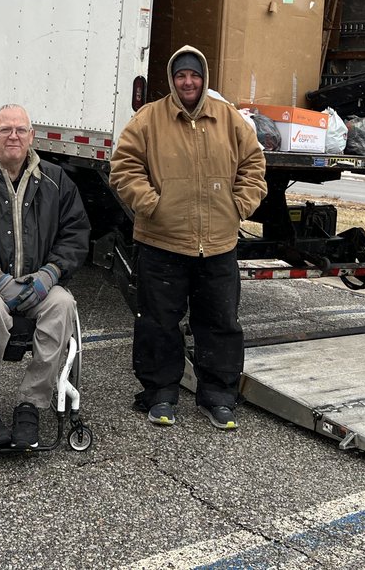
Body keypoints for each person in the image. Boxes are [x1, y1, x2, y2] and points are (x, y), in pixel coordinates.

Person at [109, 45, 267, 430]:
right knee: (158, 323)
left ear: (204, 78)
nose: (188, 82)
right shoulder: (149, 120)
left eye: (194, 75)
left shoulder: (228, 119)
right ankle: (160, 394)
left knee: (219, 323)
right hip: (162, 242)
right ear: (171, 79)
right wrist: (152, 205)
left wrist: (238, 206)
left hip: (218, 245)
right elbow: (123, 167)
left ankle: (218, 397)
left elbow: (254, 164)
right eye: (180, 75)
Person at [0, 103, 91, 449]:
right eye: (5, 129)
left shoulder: (56, 181)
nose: (13, 136)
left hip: (39, 281)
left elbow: (76, 234)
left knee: (63, 305)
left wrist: (50, 274)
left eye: (20, 130)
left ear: (32, 137)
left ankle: (30, 406)